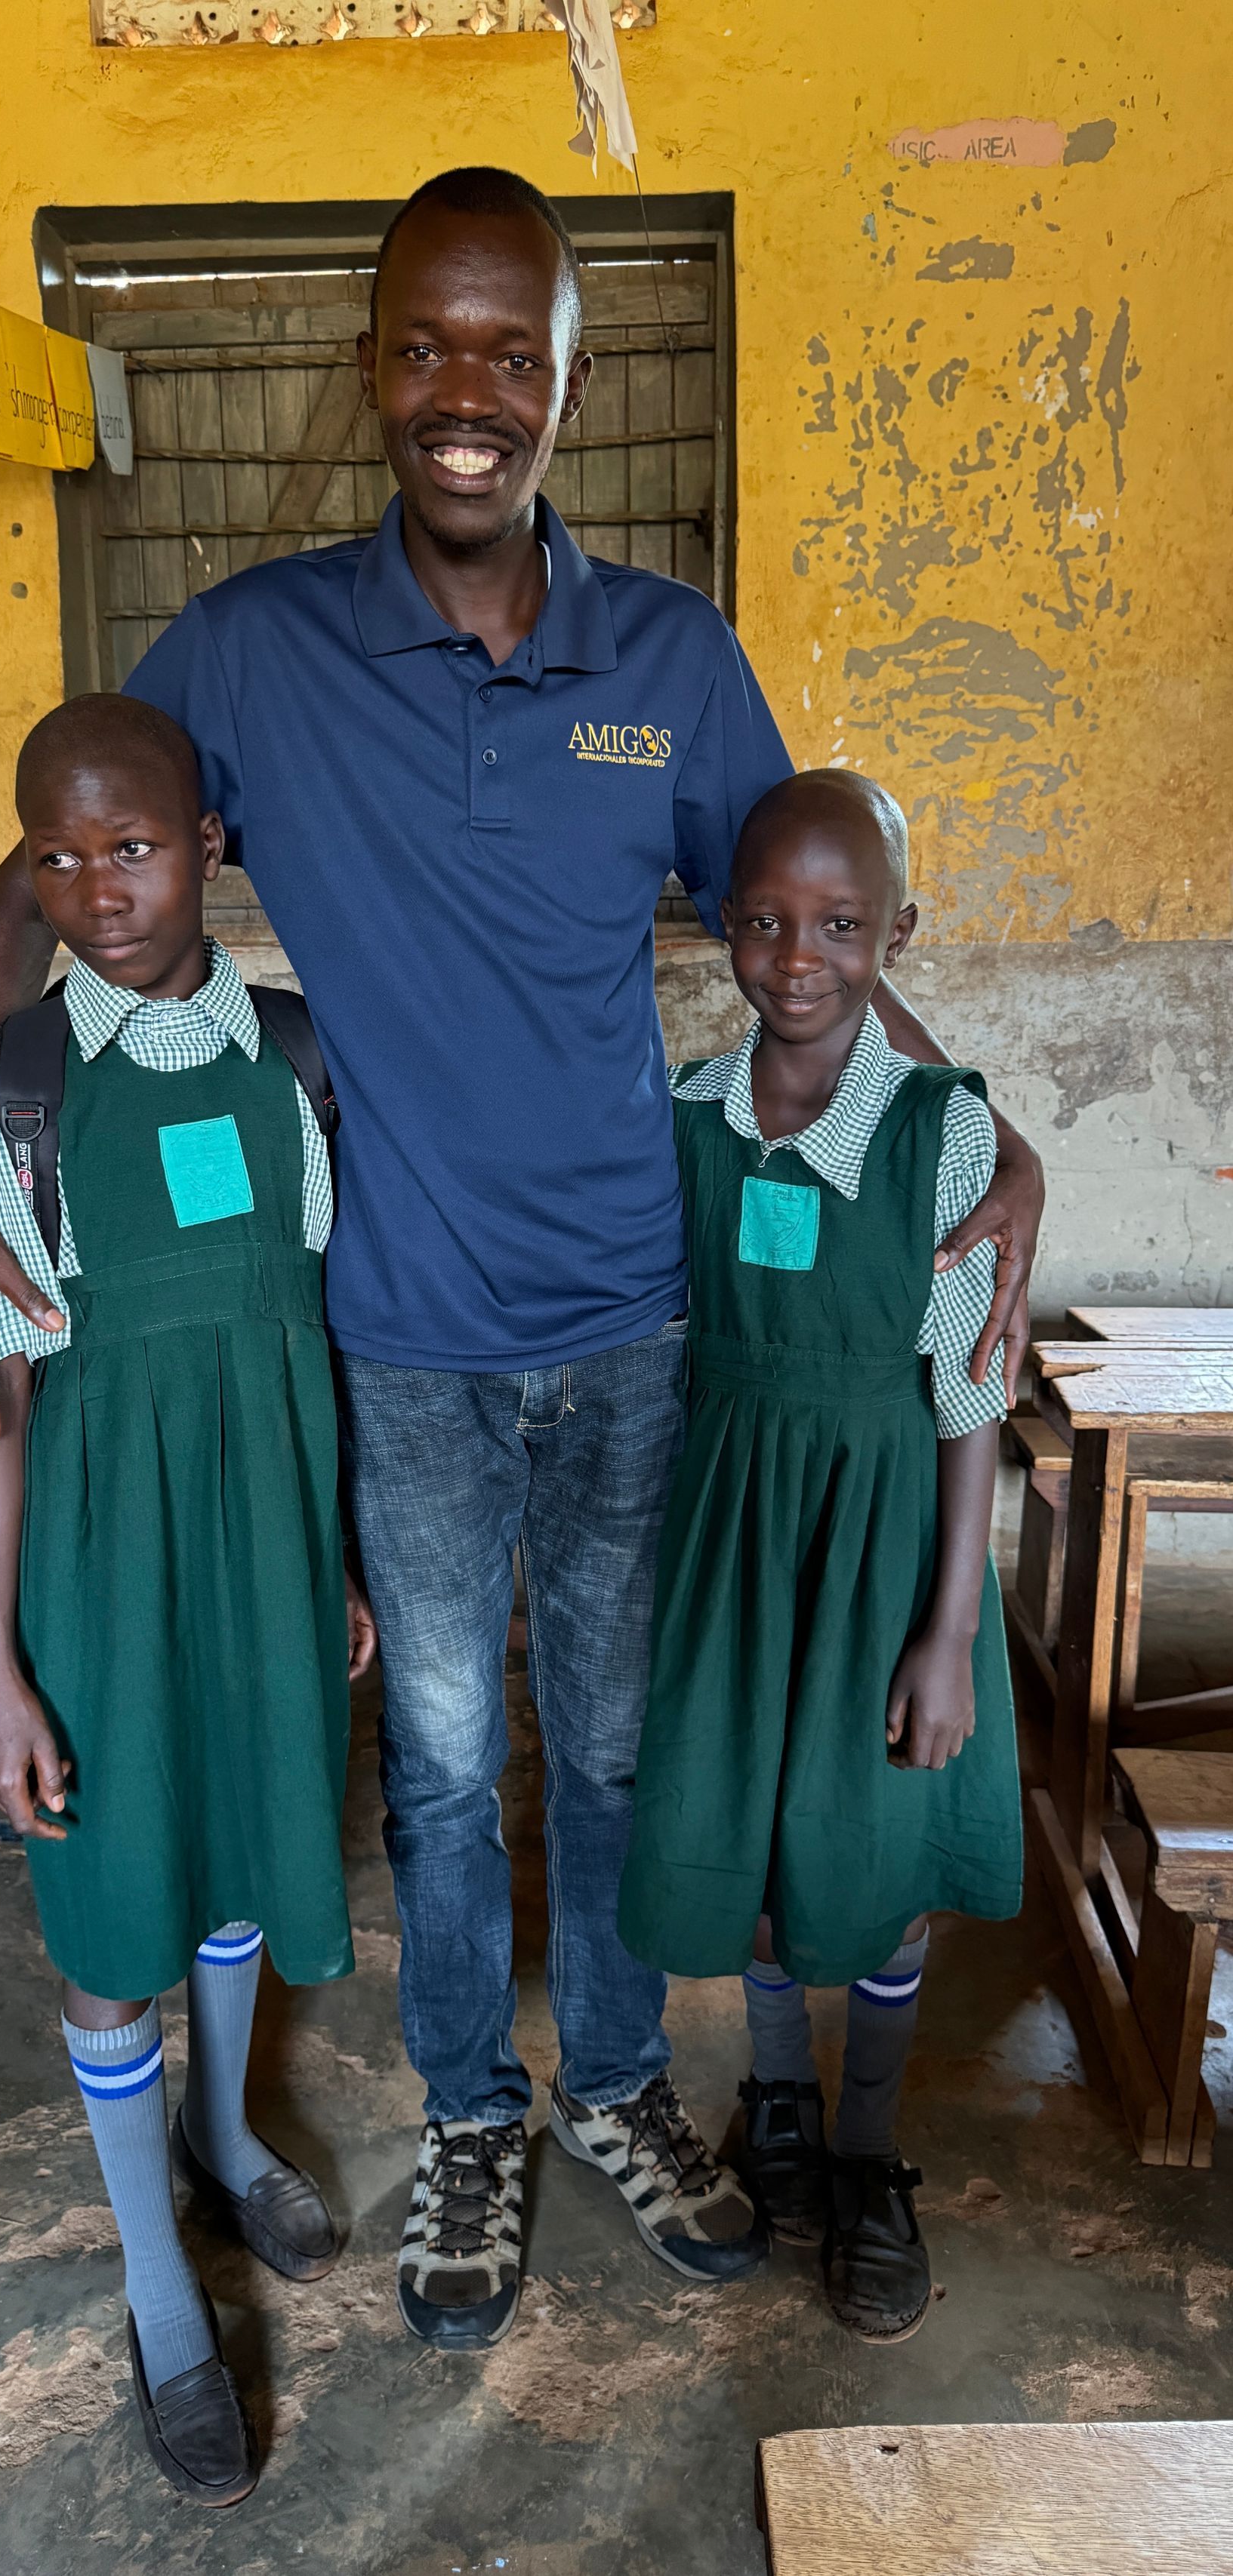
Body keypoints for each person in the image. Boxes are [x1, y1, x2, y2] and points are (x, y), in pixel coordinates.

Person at [0, 168, 1043, 2353]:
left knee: (601, 1740)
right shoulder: (249, 651)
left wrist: (984, 1137)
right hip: (402, 1331)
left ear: (568, 387)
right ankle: (471, 2111)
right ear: (373, 372)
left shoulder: (674, 662)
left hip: (630, 1311)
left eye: (511, 352)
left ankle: (612, 2078)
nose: (466, 394)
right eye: (426, 345)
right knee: (437, 1757)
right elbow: (40, 860)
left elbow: (815, 939)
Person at [0, 693, 375, 2505]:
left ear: (209, 842)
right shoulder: (12, 1095)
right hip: (102, 1562)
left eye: (131, 845)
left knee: (236, 1854)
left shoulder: (295, 1054)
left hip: (266, 1541)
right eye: (57, 853)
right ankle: (159, 2293)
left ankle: (224, 2126)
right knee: (110, 1900)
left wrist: (339, 1547)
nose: (96, 885)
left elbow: (321, 1328)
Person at [618, 769, 1023, 2345]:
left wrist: (944, 1627)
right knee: (769, 1849)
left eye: (843, 926)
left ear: (897, 935)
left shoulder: (944, 1125)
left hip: (883, 1543)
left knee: (878, 1850)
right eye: (770, 922)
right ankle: (777, 2102)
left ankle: (865, 2150)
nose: (800, 957)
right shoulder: (692, 1118)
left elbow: (970, 1384)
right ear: (726, 926)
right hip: (736, 1538)